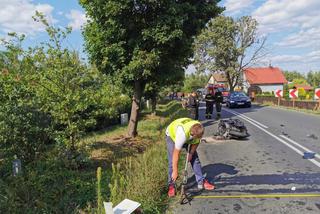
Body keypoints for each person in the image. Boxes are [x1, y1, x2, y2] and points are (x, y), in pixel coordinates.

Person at [166, 118, 215, 197]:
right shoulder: (181, 135)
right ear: (192, 135)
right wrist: (175, 171)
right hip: (172, 135)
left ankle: (201, 181)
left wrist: (191, 153)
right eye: (196, 137)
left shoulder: (199, 128)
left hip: (189, 133)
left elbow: (196, 142)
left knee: (195, 159)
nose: (198, 139)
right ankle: (171, 185)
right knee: (172, 161)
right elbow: (176, 154)